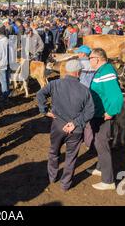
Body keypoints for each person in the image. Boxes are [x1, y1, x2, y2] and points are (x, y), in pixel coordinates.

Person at [37, 60, 95, 191]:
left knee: (53, 152)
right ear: (78, 72)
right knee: (71, 157)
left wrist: (44, 111)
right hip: (76, 130)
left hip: (57, 125)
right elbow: (90, 111)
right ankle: (65, 184)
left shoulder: (55, 84)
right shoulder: (85, 90)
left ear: (67, 71)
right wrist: (75, 123)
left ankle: (52, 177)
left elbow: (40, 94)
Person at [87, 48, 124, 191]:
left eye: (90, 58)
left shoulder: (107, 72)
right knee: (98, 142)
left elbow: (117, 96)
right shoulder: (103, 70)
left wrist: (111, 111)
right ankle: (100, 168)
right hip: (98, 113)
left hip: (103, 115)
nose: (89, 60)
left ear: (97, 59)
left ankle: (108, 181)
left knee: (102, 145)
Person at [0, 27, 10, 99]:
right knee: (7, 79)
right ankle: (7, 93)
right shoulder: (8, 40)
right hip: (8, 62)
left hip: (2, 63)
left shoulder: (0, 42)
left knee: (2, 80)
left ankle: (4, 95)